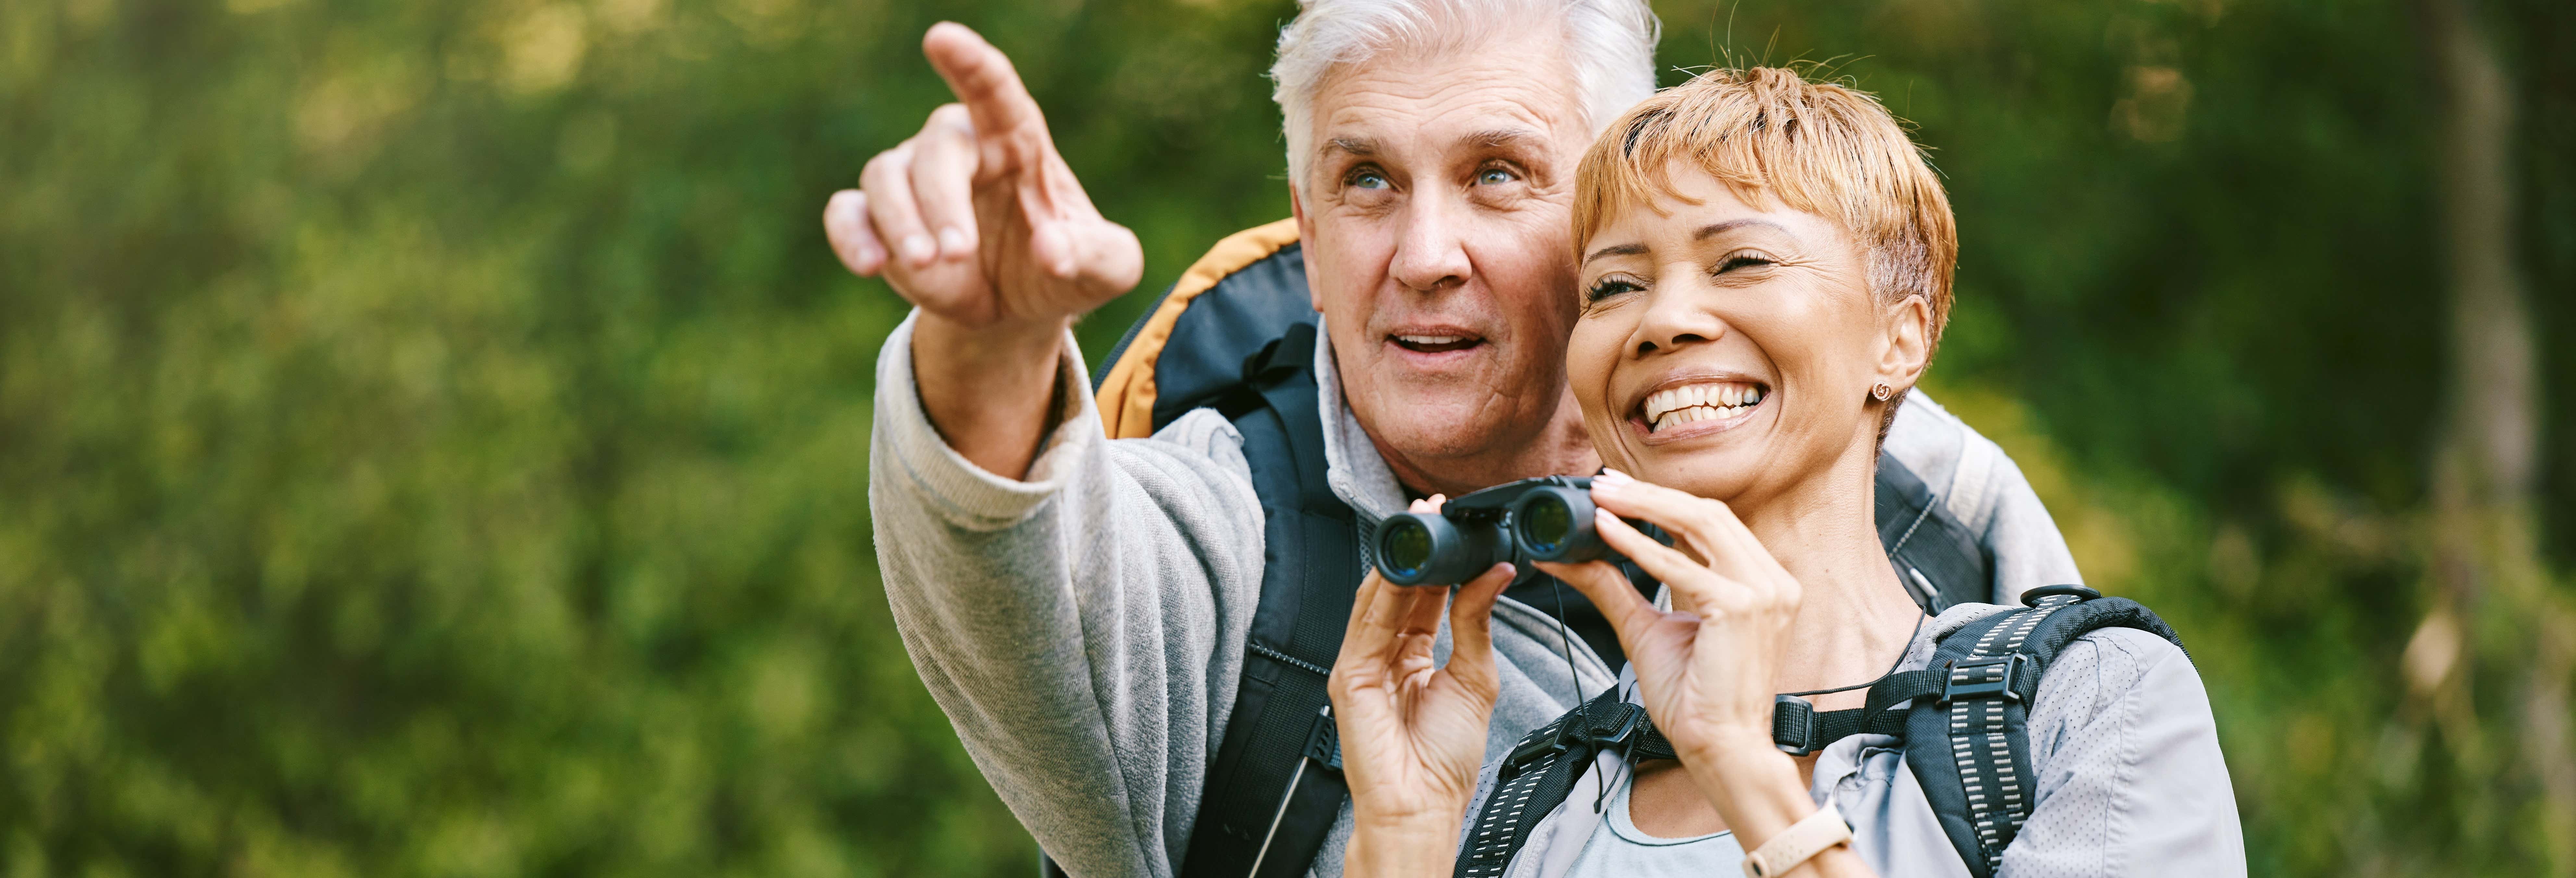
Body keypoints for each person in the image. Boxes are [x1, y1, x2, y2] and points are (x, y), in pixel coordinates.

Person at [826, 2, 2086, 875]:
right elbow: (1018, 558)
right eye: (1366, 179)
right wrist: (989, 338)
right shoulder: (1230, 558)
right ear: (1307, 235)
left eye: (1496, 173)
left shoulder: (1922, 500)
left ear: (1610, 211)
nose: (1423, 256)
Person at [1327, 67, 2243, 877]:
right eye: (1614, 285)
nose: (1665, 319)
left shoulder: (2092, 704)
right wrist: (1404, 842)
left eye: (1743, 261)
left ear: (1902, 337)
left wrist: (1744, 767)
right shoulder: (1541, 800)